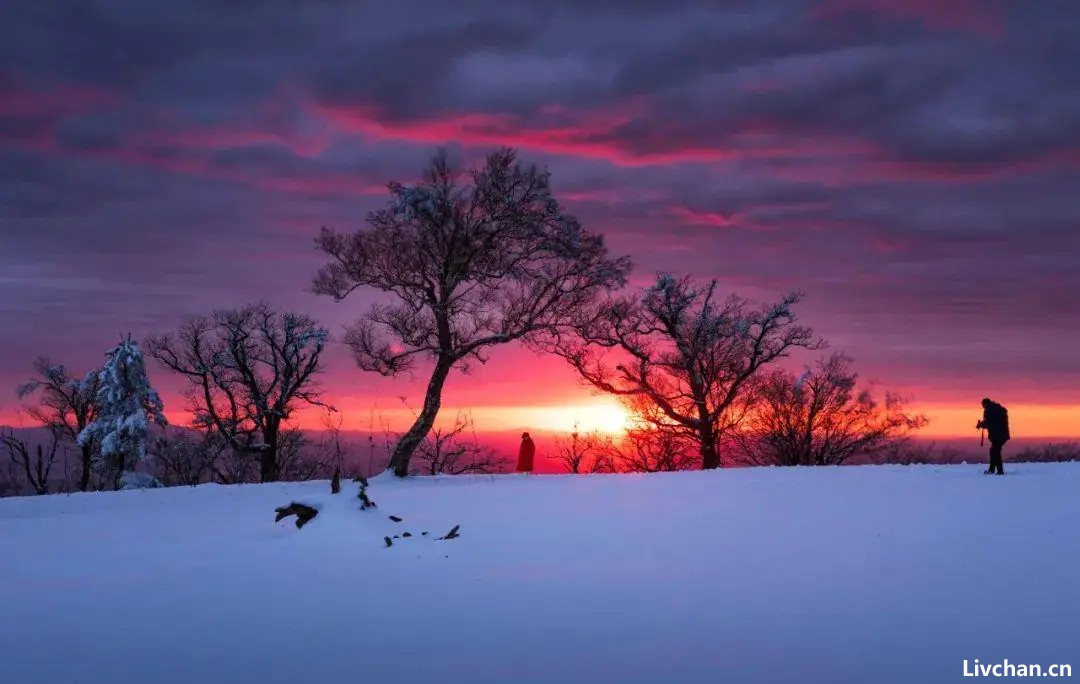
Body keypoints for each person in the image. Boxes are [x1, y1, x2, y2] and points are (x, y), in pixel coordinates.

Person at [976, 398, 1010, 475]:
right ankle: (992, 470)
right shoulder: (997, 409)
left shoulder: (990, 410)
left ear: (985, 404)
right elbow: (991, 422)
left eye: (983, 405)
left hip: (997, 435)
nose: (983, 407)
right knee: (994, 451)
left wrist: (981, 424)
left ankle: (999, 471)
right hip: (1003, 435)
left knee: (995, 452)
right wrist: (982, 424)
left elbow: (989, 423)